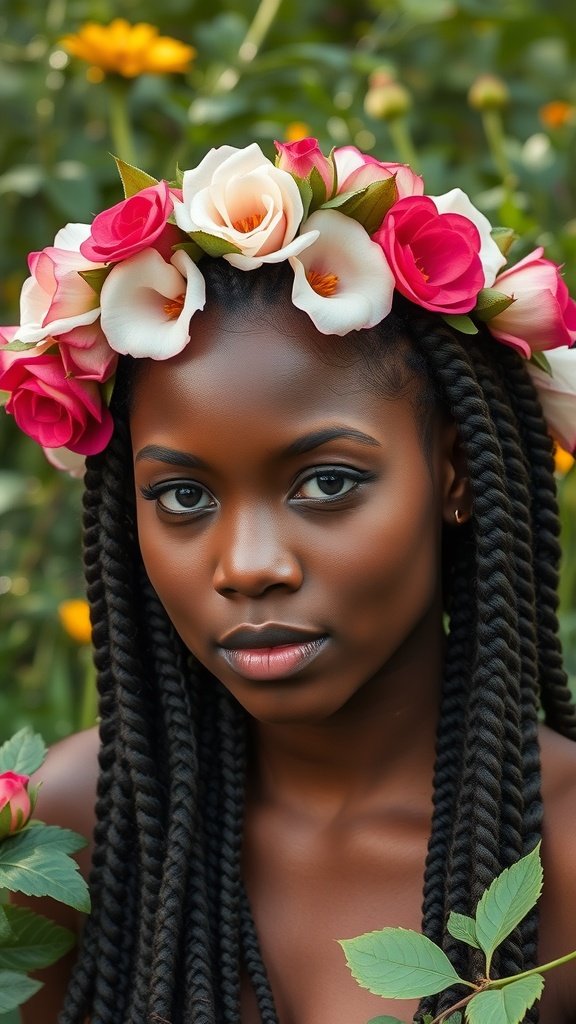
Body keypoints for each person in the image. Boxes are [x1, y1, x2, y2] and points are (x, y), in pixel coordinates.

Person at [2, 139, 576, 1024]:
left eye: (327, 483)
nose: (249, 566)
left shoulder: (567, 854)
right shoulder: (60, 837)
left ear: (457, 475)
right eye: (184, 495)